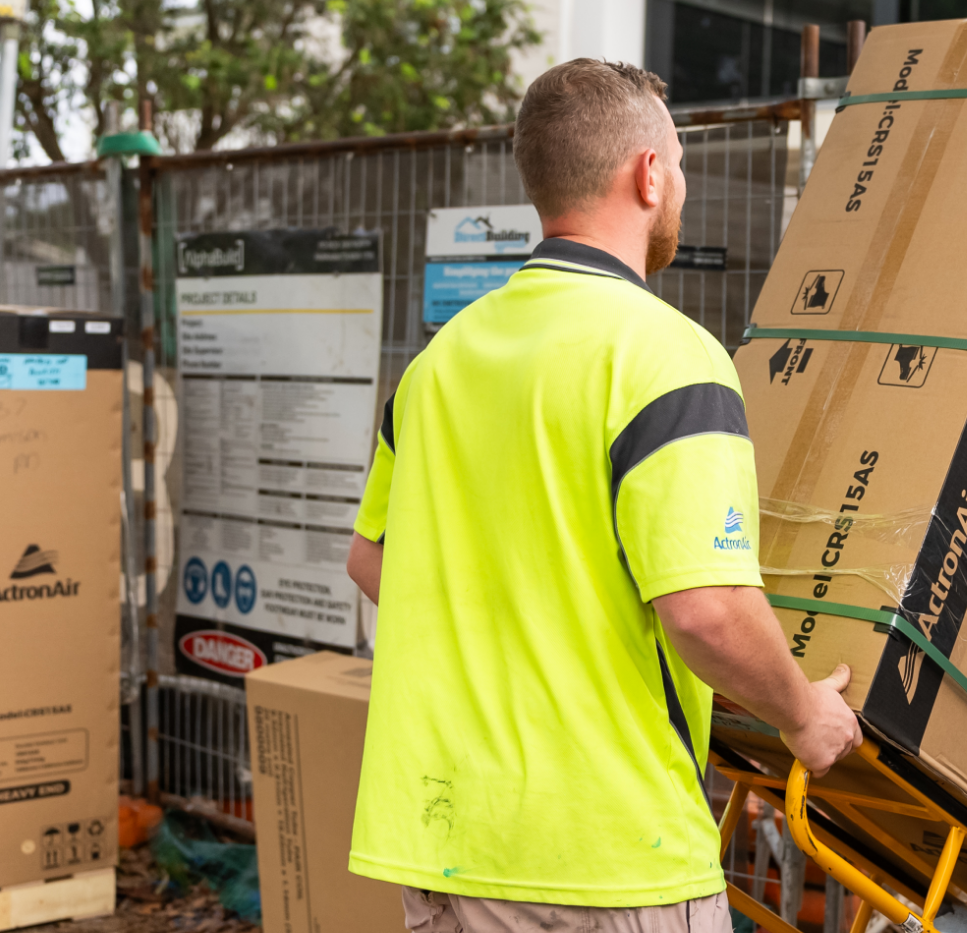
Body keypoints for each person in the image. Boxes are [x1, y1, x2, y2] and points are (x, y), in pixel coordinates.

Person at [342, 59, 862, 933]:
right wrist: (808, 715)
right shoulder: (667, 356)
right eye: (683, 166)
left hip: (445, 846)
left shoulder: (438, 364)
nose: (683, 187)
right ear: (649, 174)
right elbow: (705, 611)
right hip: (605, 858)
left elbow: (372, 560)